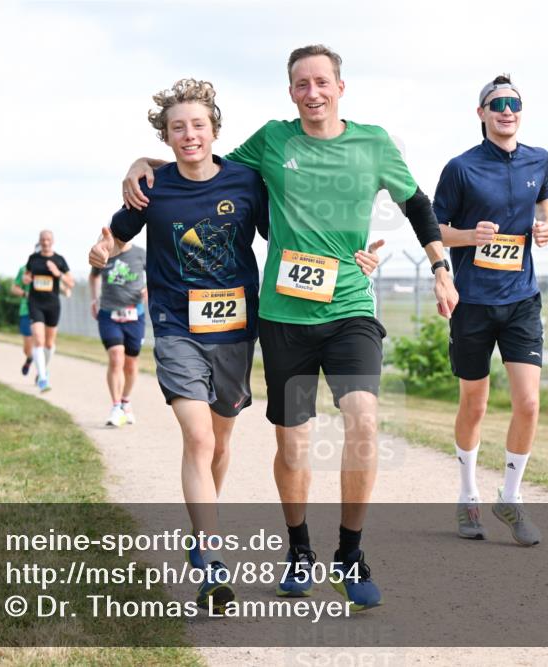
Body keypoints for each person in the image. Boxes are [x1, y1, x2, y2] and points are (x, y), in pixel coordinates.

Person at [122, 47, 458, 611]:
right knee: (295, 444)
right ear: (291, 93)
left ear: (340, 87)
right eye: (302, 84)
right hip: (283, 317)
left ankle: (350, 553)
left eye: (322, 82)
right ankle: (299, 551)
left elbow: (417, 205)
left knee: (363, 421)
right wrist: (141, 162)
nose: (313, 92)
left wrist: (441, 267)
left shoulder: (374, 143)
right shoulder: (273, 142)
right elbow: (203, 163)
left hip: (350, 305)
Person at [97, 78, 385, 613]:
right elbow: (118, 231)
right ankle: (209, 557)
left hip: (234, 331)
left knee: (221, 443)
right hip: (177, 326)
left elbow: (290, 234)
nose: (189, 135)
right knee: (199, 437)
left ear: (214, 130)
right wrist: (102, 247)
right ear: (166, 135)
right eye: (177, 128)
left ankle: (203, 531)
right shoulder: (153, 186)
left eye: (198, 125)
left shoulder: (246, 181)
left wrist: (352, 258)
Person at [433, 74, 548, 546]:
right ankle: (467, 497)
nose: (507, 110)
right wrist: (470, 237)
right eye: (497, 103)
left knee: (528, 401)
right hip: (473, 303)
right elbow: (437, 230)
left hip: (522, 298)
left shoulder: (539, 159)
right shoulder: (461, 168)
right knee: (475, 403)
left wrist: (545, 229)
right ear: (481, 113)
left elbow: (544, 201)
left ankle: (510, 496)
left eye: (514, 103)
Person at [89, 233, 147, 427]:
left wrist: (149, 289)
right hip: (109, 314)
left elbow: (157, 274)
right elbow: (93, 276)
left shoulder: (140, 254)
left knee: (130, 363)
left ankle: (126, 401)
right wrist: (94, 299)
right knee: (116, 357)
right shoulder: (105, 253)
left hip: (134, 315)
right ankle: (115, 407)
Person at [25, 230, 74, 391]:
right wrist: (26, 279)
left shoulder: (59, 260)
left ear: (52, 241)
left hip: (52, 304)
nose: (45, 242)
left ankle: (42, 369)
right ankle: (43, 380)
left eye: (48, 240)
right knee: (38, 340)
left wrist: (57, 273)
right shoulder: (33, 259)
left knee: (49, 343)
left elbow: (70, 283)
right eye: (43, 240)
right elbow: (27, 276)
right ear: (40, 241)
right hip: (35, 302)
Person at [11, 259, 36, 376]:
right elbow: (14, 288)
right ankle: (29, 359)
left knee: (42, 343)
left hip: (45, 309)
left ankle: (42, 372)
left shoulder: (52, 267)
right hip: (27, 309)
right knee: (27, 348)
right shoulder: (24, 269)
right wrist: (26, 294)